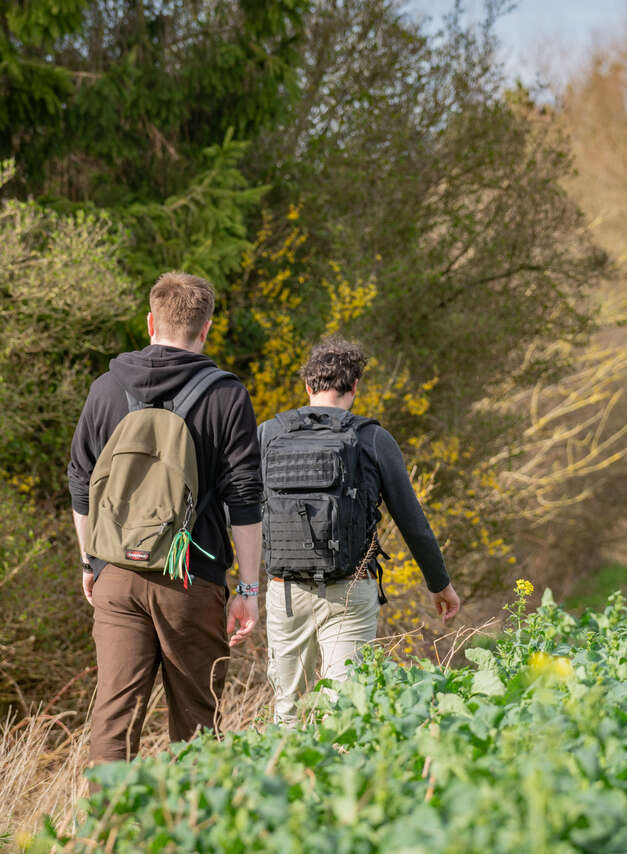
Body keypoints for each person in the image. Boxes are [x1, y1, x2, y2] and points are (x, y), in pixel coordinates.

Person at [68, 271, 262, 764]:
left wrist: (91, 562)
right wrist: (249, 589)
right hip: (191, 578)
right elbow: (244, 498)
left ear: (150, 321)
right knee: (198, 722)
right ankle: (190, 834)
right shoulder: (225, 395)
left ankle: (104, 837)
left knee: (114, 719)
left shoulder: (106, 388)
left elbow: (79, 481)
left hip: (117, 576)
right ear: (207, 329)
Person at [259, 336, 460, 724]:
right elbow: (411, 521)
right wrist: (440, 585)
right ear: (354, 387)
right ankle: (342, 781)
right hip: (351, 589)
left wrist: (243, 588)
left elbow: (248, 511)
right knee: (345, 712)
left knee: (287, 712)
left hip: (285, 591)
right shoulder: (371, 438)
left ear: (307, 387)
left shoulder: (270, 433)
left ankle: (284, 780)